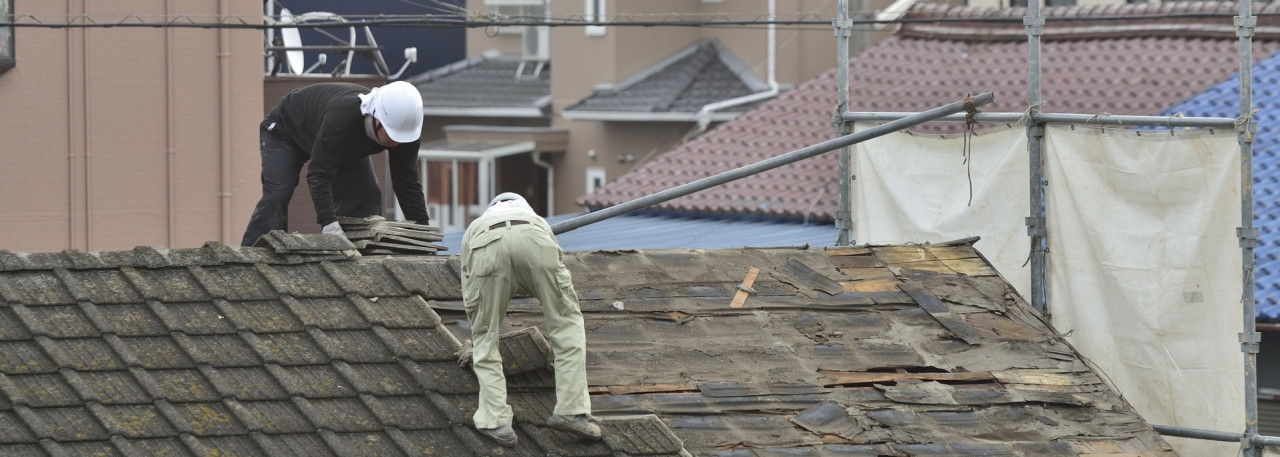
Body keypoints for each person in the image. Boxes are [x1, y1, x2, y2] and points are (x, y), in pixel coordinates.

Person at [460, 193, 601, 446]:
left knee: (484, 338)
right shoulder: (535, 218)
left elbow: (469, 288)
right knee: (567, 325)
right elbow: (554, 259)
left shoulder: (476, 226)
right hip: (535, 241)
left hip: (486, 245)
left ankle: (496, 421)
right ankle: (571, 411)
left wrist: (479, 329)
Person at [240, 81, 430, 246]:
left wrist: (423, 233)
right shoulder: (343, 118)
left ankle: (359, 253)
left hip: (339, 144)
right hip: (285, 132)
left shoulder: (406, 133)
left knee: (367, 197)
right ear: (377, 118)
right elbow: (318, 174)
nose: (396, 143)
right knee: (278, 195)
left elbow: (407, 184)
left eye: (400, 138)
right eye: (391, 135)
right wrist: (328, 224)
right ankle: (252, 257)